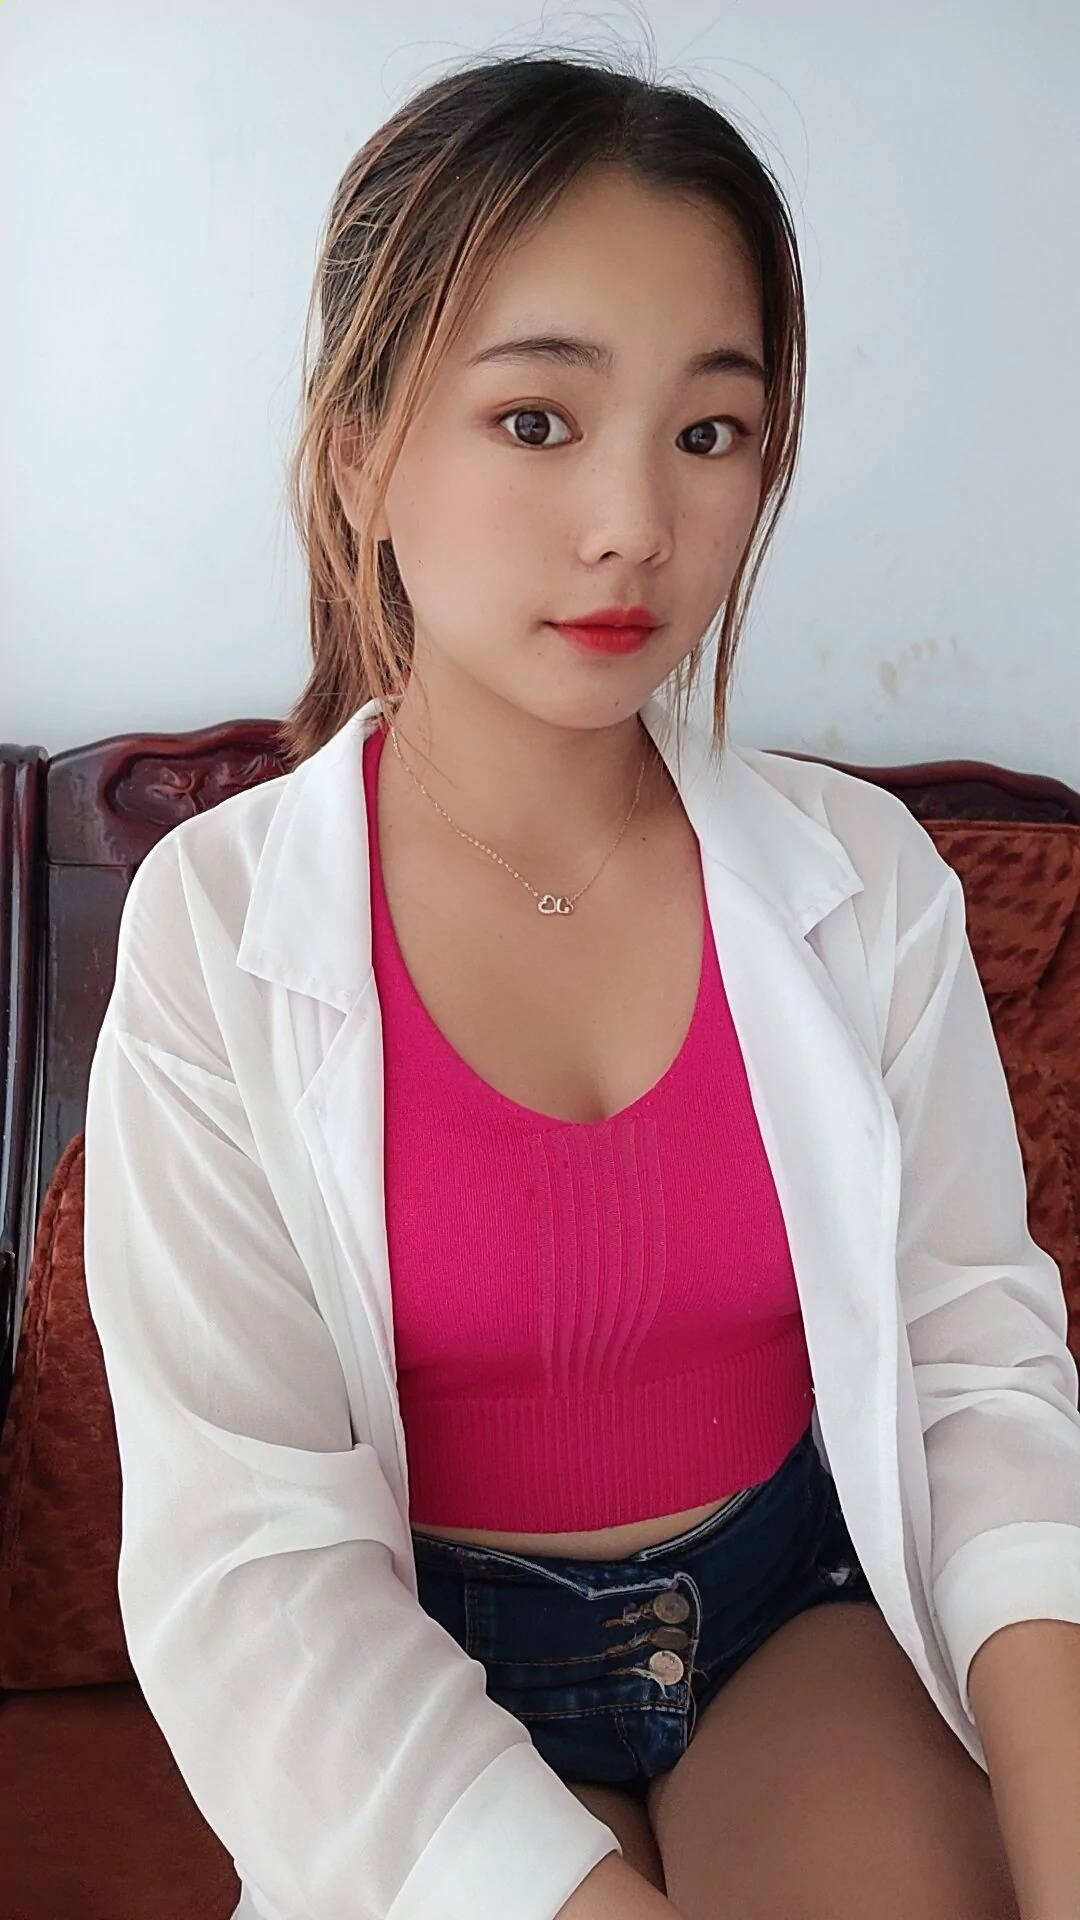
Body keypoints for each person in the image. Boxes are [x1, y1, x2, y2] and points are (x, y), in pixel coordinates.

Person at [82, 44, 1080, 1920]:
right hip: (415, 1664)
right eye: (537, 418)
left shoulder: (867, 882)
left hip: (789, 1615)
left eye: (710, 431)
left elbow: (976, 1367)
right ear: (363, 450)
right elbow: (250, 1565)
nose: (633, 520)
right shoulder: (218, 931)